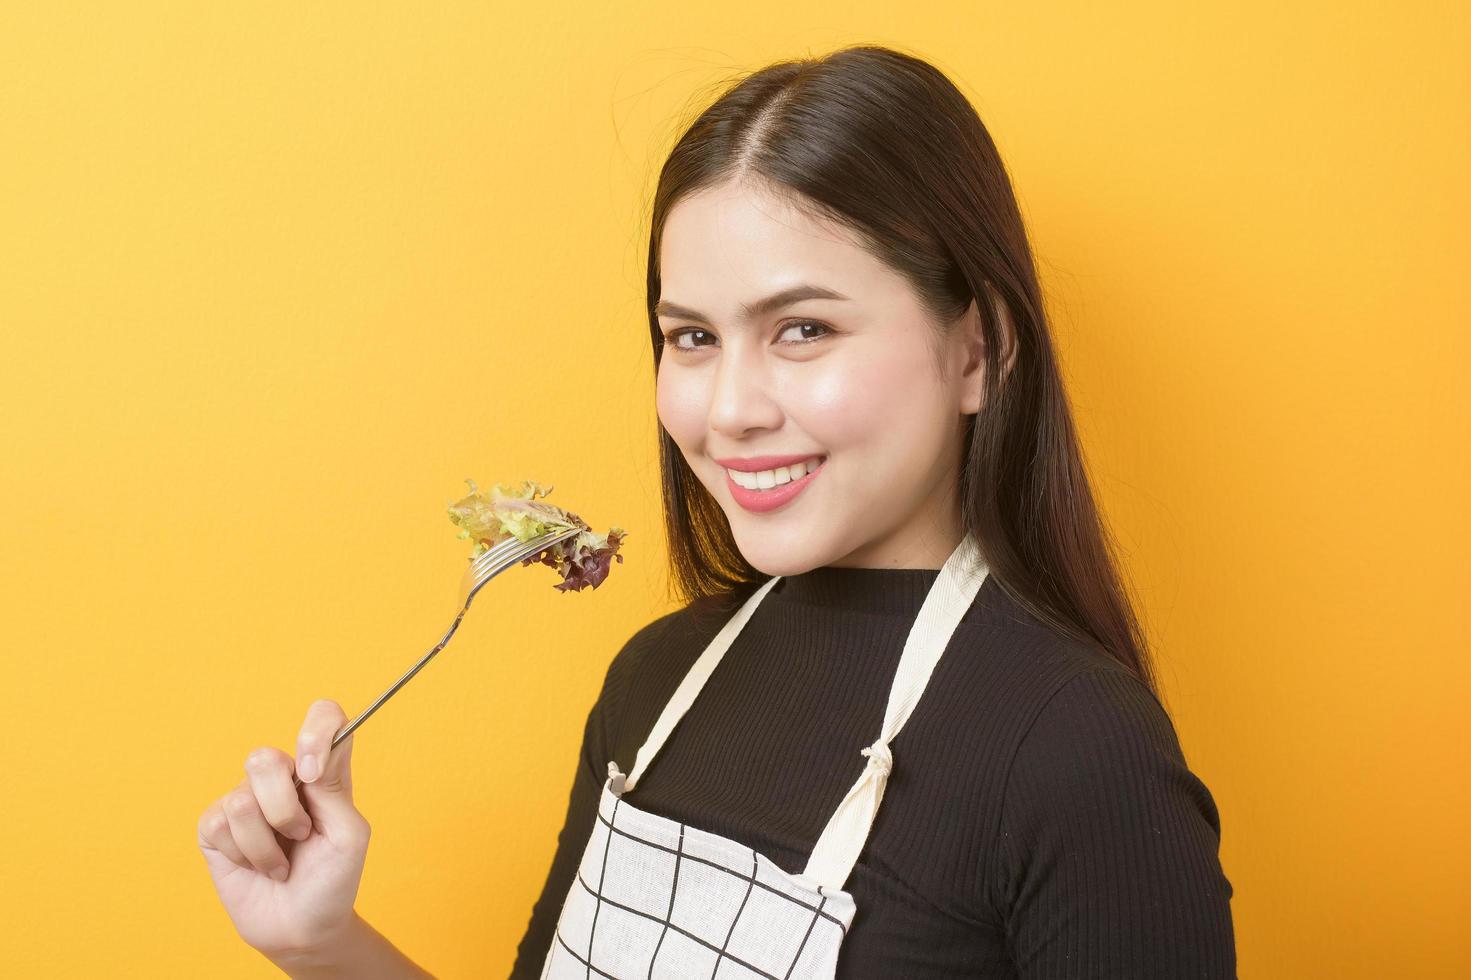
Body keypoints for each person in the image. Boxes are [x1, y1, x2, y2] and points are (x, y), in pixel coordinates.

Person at [198, 44, 1236, 979]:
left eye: (801, 329)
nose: (729, 409)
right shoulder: (652, 680)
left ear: (977, 350)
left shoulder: (1073, 750)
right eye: (691, 337)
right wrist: (319, 940)